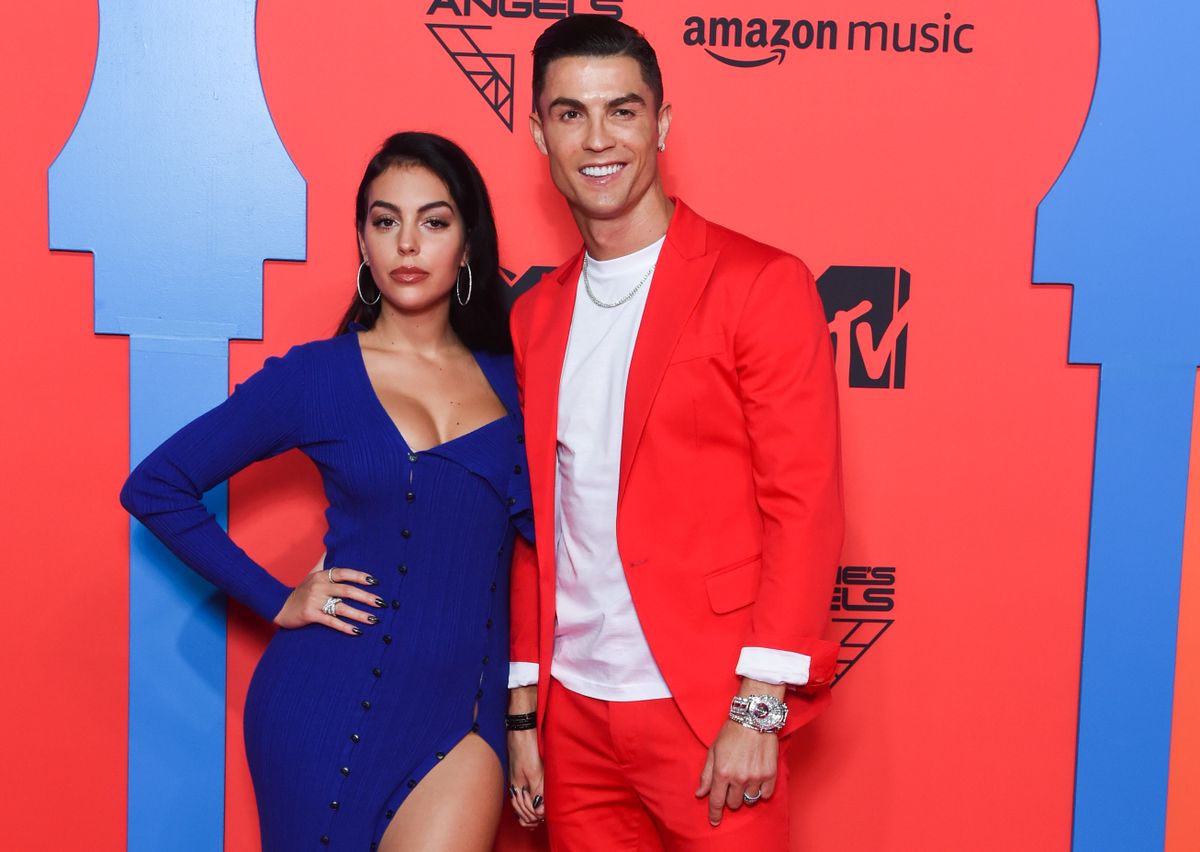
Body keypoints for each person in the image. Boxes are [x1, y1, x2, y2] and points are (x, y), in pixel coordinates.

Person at [121, 131, 532, 851]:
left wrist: (516, 722)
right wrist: (278, 598)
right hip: (323, 701)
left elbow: (539, 565)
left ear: (468, 245)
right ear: (363, 244)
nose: (408, 243)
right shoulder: (316, 377)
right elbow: (156, 486)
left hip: (461, 720)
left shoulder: (520, 378)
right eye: (385, 221)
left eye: (433, 221)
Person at [503, 15, 844, 850]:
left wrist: (760, 704)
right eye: (569, 113)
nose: (596, 139)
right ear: (540, 128)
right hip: (574, 715)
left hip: (706, 704)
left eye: (621, 111)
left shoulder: (758, 282)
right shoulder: (536, 311)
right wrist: (525, 709)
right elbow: (533, 523)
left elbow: (804, 504)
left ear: (661, 122)